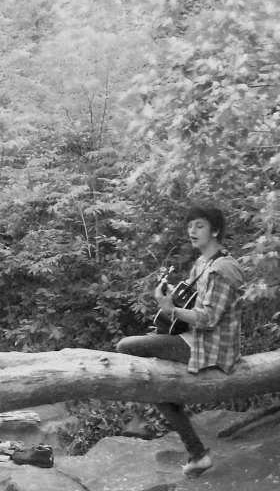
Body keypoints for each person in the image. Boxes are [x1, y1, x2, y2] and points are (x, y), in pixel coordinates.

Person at [116, 204, 244, 478]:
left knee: (127, 348)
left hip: (213, 347)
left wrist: (170, 309)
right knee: (154, 383)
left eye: (199, 225)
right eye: (190, 226)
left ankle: (196, 451)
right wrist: (172, 296)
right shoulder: (202, 263)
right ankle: (197, 453)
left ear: (215, 230)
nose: (192, 231)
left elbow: (208, 318)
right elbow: (195, 304)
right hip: (194, 338)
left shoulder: (222, 269)